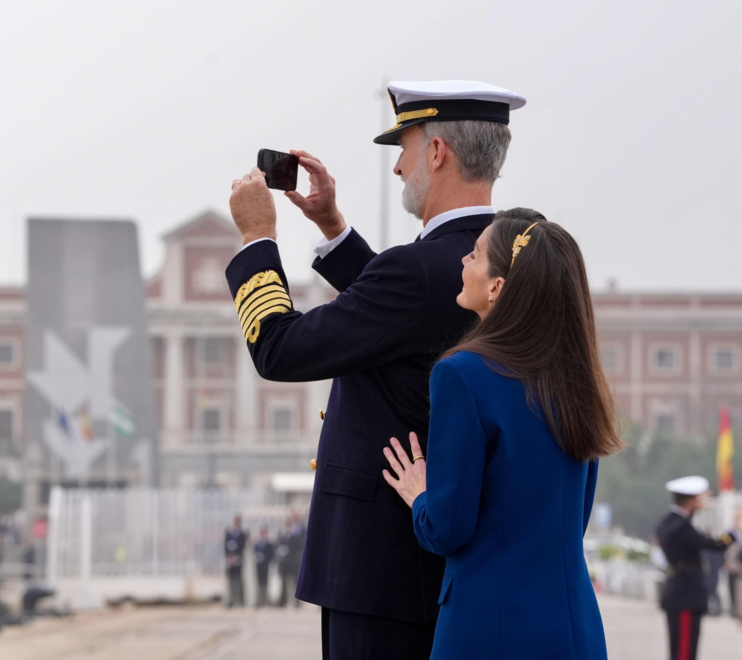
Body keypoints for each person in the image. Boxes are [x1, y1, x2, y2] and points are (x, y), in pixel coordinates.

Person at [225, 80, 525, 659]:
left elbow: (279, 350)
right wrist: (333, 228)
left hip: (378, 574)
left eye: (404, 148)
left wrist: (257, 239)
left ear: (437, 152)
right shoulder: (507, 255)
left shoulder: (417, 272)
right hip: (442, 566)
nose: (398, 170)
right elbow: (410, 316)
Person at [381, 212, 624, 658]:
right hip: (574, 631)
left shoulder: (463, 375)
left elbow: (448, 528)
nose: (462, 261)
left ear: (496, 286)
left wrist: (419, 495)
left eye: (474, 255)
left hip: (488, 630)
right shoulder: (577, 381)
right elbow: (573, 518)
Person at [654, 477, 739, 660]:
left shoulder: (667, 522)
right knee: (685, 652)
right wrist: (733, 532)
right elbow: (715, 544)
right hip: (686, 595)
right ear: (692, 501)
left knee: (679, 650)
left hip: (678, 591)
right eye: (700, 498)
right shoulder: (682, 527)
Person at [276, 515, 305, 608]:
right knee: (284, 583)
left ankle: (296, 602)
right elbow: (277, 547)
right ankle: (283, 601)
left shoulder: (294, 537)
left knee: (294, 582)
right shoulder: (281, 536)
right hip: (284, 562)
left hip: (292, 562)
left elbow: (298, 548)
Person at [223, 515, 248, 608]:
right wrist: (229, 556)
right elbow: (225, 545)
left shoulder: (242, 534)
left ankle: (239, 600)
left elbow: (242, 547)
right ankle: (231, 600)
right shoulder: (229, 533)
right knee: (230, 581)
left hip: (238, 560)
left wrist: (236, 556)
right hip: (230, 560)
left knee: (238, 581)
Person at [253, 526, 275, 607]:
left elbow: (271, 555)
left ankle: (265, 599)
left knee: (265, 583)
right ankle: (259, 599)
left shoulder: (268, 544)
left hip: (266, 566)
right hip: (258, 566)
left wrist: (265, 560)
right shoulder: (257, 544)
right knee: (259, 583)